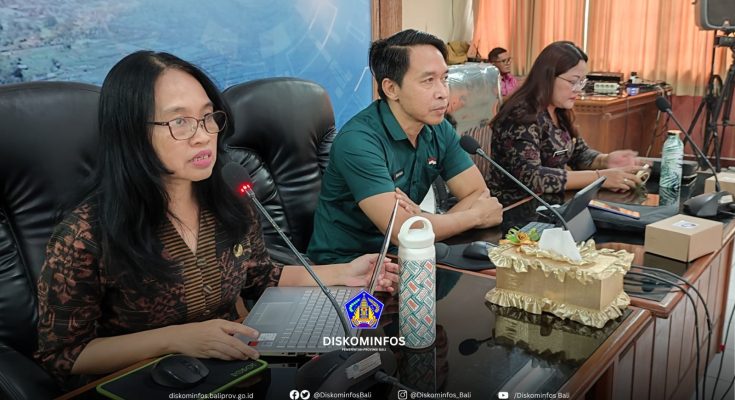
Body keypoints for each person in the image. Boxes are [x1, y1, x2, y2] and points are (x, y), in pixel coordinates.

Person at [33, 51, 400, 391]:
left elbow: (259, 276)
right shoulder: (85, 234)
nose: (203, 136)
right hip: (145, 384)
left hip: (234, 371)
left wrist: (346, 273)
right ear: (131, 132)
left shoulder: (230, 199)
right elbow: (64, 355)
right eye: (180, 121)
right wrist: (175, 340)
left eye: (208, 117)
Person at [307, 29, 503, 265]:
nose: (443, 93)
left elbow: (477, 193)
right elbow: (401, 230)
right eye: (428, 81)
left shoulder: (437, 128)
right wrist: (475, 217)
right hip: (345, 266)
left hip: (406, 255)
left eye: (444, 79)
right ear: (391, 89)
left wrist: (423, 225)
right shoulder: (359, 140)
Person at [487, 41, 644, 206]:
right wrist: (600, 177)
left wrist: (605, 160)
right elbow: (532, 177)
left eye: (582, 82)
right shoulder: (520, 115)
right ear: (548, 77)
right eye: (573, 81)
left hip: (551, 204)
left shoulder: (559, 111)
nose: (578, 89)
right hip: (516, 208)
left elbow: (579, 154)